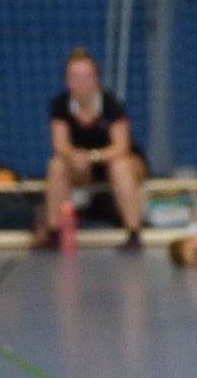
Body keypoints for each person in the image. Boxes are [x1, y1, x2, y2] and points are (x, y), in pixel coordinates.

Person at [40, 48, 149, 243]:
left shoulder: (111, 104)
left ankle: (134, 232)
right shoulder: (60, 104)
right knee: (56, 165)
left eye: (86, 76)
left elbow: (121, 146)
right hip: (82, 167)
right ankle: (54, 232)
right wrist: (76, 157)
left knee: (120, 165)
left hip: (114, 162)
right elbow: (60, 144)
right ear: (67, 81)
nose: (81, 82)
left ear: (96, 79)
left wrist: (93, 156)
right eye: (75, 77)